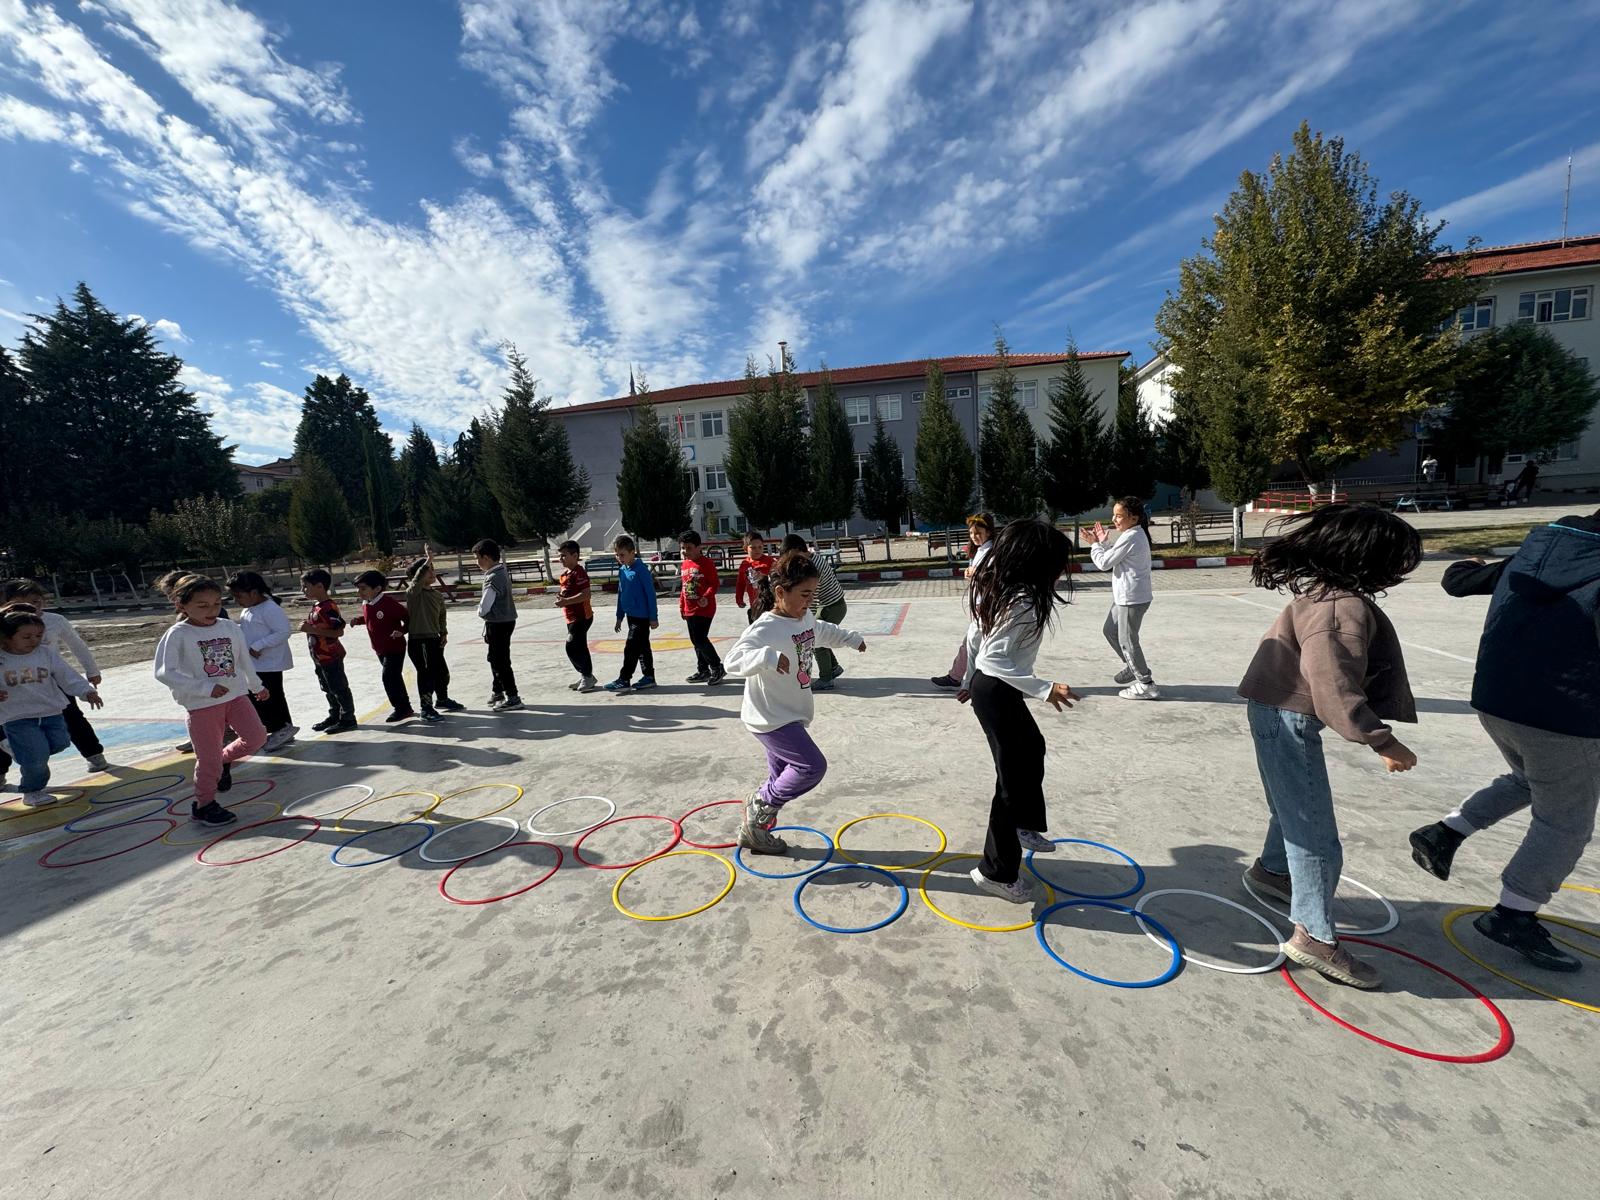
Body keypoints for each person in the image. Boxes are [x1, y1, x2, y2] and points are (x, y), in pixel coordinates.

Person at [1237, 504, 1422, 989]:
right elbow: (1333, 687)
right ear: (1368, 558)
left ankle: (1273, 872)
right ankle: (1313, 938)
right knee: (1315, 832)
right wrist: (1382, 740)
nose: (1402, 570)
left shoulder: (1325, 592)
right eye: (1399, 560)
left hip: (1273, 708)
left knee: (1293, 806)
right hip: (1288, 715)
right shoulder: (1341, 608)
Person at [1408, 509, 1600, 973]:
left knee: (1530, 779)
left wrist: (1468, 563)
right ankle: (1514, 914)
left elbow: (1457, 580)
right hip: (1565, 713)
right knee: (1564, 821)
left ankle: (1445, 833)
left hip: (1496, 699)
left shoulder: (1540, 548)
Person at [956, 519, 1081, 902]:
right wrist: (1045, 689)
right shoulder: (1023, 601)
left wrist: (968, 679)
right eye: (1059, 563)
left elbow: (976, 634)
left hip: (994, 689)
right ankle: (997, 872)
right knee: (1011, 780)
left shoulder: (1009, 592)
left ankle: (1025, 824)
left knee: (1031, 750)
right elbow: (995, 660)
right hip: (995, 689)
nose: (1065, 570)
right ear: (1036, 563)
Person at [723, 551, 867, 853]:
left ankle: (757, 830)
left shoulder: (804, 617)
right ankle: (759, 805)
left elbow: (822, 631)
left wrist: (851, 638)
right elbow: (732, 661)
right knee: (811, 767)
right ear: (780, 592)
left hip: (790, 712)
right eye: (804, 594)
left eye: (813, 594)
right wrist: (766, 656)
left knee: (781, 777)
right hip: (770, 717)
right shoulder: (765, 627)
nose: (809, 601)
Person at [153, 576, 269, 826]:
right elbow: (164, 672)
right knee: (208, 760)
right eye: (202, 605)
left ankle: (224, 759)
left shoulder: (229, 627)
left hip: (236, 695)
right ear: (181, 605)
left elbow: (243, 660)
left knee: (257, 737)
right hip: (201, 705)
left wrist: (256, 685)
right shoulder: (178, 634)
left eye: (216, 604)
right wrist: (204, 688)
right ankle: (204, 805)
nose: (211, 610)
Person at [0, 578, 109, 786]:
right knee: (22, 744)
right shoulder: (3, 638)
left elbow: (75, 650)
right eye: (26, 603)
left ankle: (93, 753)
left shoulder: (52, 627)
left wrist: (88, 681)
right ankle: (26, 785)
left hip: (49, 685)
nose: (33, 608)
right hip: (13, 698)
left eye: (37, 602)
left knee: (65, 731)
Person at [1084, 497, 1160, 700]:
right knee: (1110, 630)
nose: (1114, 519)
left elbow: (1104, 563)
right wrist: (1103, 542)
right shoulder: (1132, 534)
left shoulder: (1132, 536)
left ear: (1133, 518)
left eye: (1119, 515)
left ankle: (1146, 683)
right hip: (1125, 597)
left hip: (1131, 598)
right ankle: (1133, 666)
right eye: (1114, 514)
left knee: (1128, 640)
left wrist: (1095, 545)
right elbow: (1115, 556)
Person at [226, 571, 298, 753]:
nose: (236, 600)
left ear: (254, 592)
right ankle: (274, 729)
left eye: (238, 595)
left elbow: (283, 632)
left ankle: (283, 727)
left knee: (270, 696)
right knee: (258, 696)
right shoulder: (248, 609)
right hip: (256, 664)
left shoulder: (270, 608)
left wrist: (258, 645)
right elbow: (249, 628)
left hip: (270, 663)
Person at [932, 513, 995, 689]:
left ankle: (965, 682)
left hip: (987, 605)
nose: (974, 537)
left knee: (976, 645)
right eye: (971, 533)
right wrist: (971, 574)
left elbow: (995, 577)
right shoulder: (980, 550)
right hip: (979, 603)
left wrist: (976, 574)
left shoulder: (993, 552)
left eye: (978, 533)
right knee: (972, 643)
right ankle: (957, 677)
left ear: (988, 532)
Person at [352, 569, 415, 723]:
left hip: (395, 647)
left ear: (378, 588)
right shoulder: (366, 603)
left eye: (363, 588)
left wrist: (401, 631)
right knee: (395, 678)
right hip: (379, 648)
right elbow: (371, 619)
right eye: (358, 588)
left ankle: (400, 709)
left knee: (388, 678)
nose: (360, 592)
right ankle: (406, 707)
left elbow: (408, 618)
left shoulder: (388, 604)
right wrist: (358, 620)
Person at [405, 553, 461, 722]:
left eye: (433, 569)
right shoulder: (413, 593)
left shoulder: (436, 594)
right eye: (427, 570)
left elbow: (442, 615)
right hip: (418, 640)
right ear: (418, 576)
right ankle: (426, 708)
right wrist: (427, 561)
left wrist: (443, 632)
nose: (431, 572)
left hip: (434, 638)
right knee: (426, 674)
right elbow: (415, 583)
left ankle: (442, 699)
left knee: (442, 673)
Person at [299, 568, 356, 733]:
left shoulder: (328, 607)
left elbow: (339, 631)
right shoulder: (317, 606)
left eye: (305, 586)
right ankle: (335, 715)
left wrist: (311, 629)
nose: (303, 590)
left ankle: (348, 718)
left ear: (319, 586)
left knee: (339, 688)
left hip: (330, 655)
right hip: (319, 657)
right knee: (327, 688)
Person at [604, 535, 659, 692]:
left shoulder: (641, 570)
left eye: (622, 554)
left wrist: (653, 617)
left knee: (631, 647)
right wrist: (619, 616)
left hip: (642, 617)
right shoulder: (623, 570)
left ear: (632, 552)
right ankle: (649, 677)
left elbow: (650, 594)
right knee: (642, 647)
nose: (619, 558)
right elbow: (621, 594)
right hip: (630, 616)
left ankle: (624, 679)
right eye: (617, 555)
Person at [474, 539, 521, 711]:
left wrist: (479, 612)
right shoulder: (501, 571)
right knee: (495, 658)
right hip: (507, 620)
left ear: (486, 557)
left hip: (498, 623)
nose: (477, 562)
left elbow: (485, 606)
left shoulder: (493, 578)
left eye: (477, 558)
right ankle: (498, 690)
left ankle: (513, 696)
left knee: (500, 661)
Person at [678, 529, 726, 685]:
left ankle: (717, 667)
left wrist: (706, 596)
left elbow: (714, 584)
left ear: (699, 547)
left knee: (700, 638)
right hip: (689, 608)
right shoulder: (685, 564)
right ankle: (703, 670)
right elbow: (684, 587)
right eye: (683, 548)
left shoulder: (707, 563)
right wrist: (682, 607)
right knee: (695, 640)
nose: (685, 551)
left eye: (689, 548)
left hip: (705, 609)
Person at [552, 540, 598, 693]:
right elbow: (569, 592)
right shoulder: (565, 574)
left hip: (582, 617)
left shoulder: (579, 572)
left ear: (575, 556)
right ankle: (586, 676)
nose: (561, 559)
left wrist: (566, 601)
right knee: (580, 647)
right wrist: (562, 598)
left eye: (564, 556)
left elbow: (586, 594)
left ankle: (587, 675)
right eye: (560, 556)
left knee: (571, 646)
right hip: (570, 617)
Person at [734, 531, 775, 625]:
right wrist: (739, 599)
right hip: (754, 605)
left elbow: (777, 579)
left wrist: (765, 577)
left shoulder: (769, 562)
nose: (757, 550)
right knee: (755, 631)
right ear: (745, 548)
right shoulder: (744, 564)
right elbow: (740, 584)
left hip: (770, 605)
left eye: (760, 547)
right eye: (753, 547)